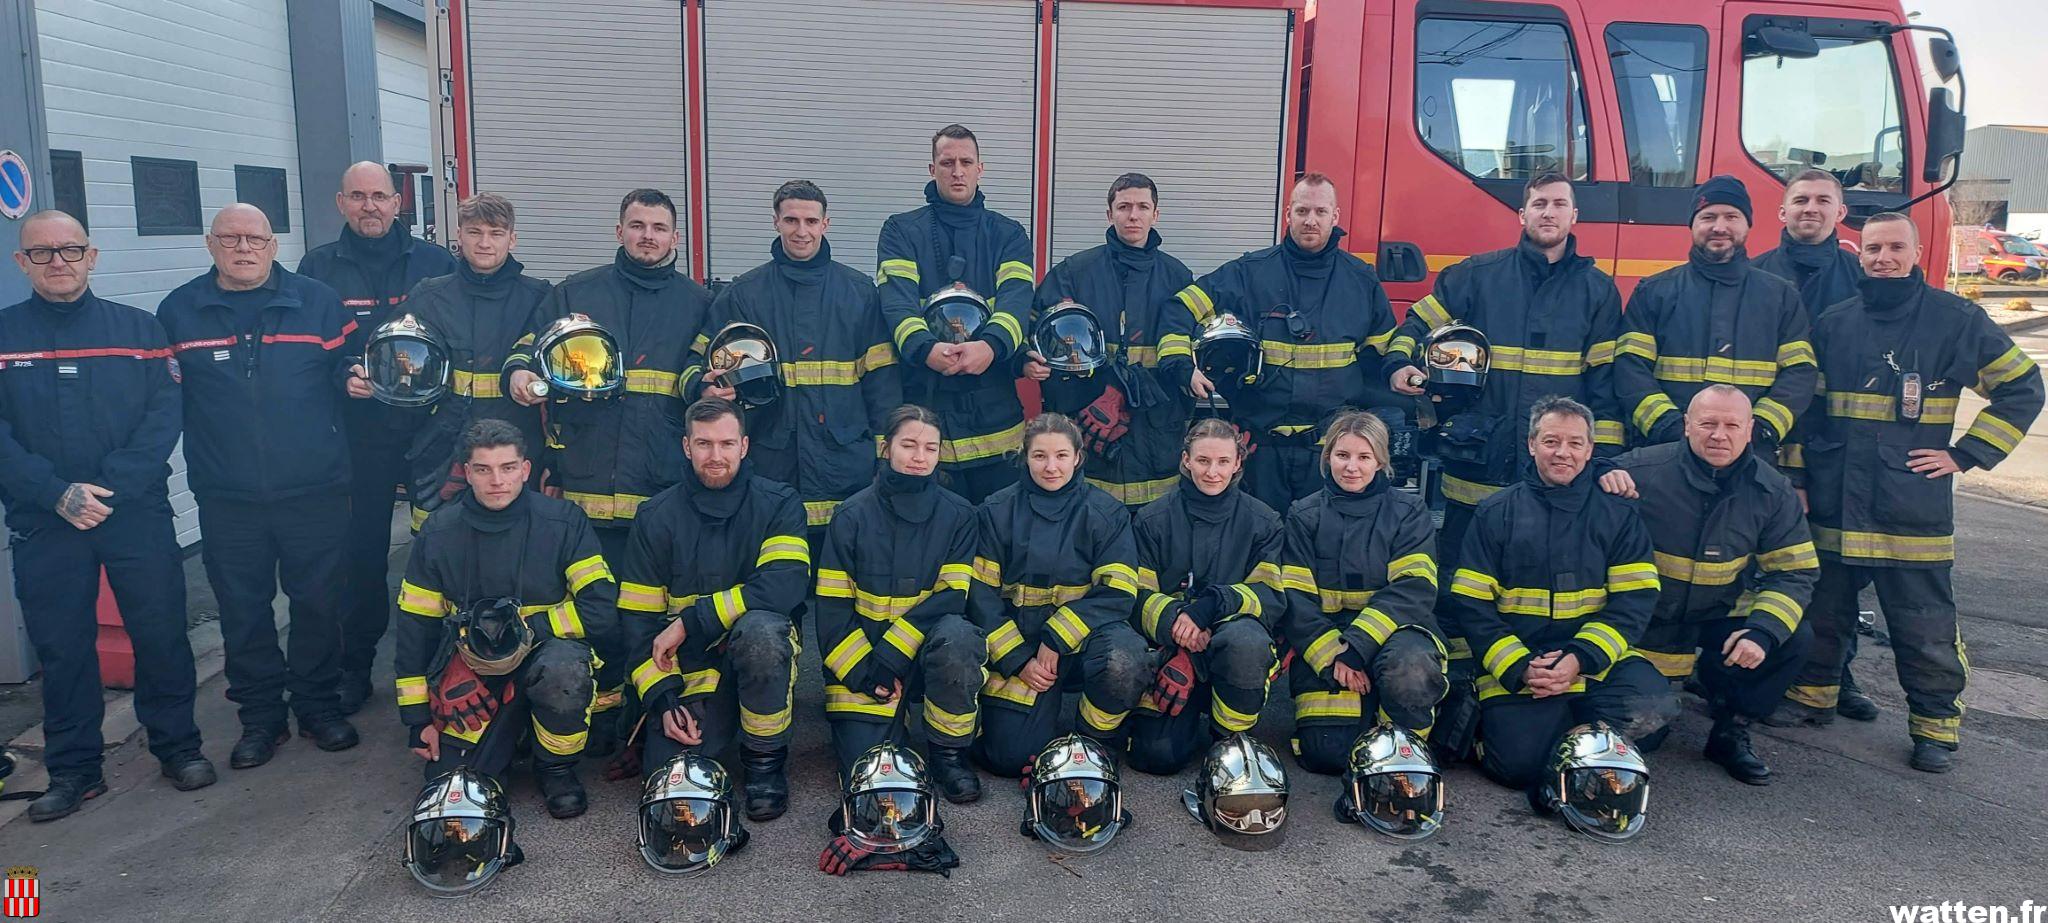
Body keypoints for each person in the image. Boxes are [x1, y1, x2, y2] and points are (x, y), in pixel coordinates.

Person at [1778, 213, 2044, 773]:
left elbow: (2022, 387)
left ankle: (1934, 728)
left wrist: (1964, 454)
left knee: (1923, 623)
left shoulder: (1957, 320)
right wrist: (1799, 478)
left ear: (1917, 252)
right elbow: (1808, 412)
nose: (1883, 258)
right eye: (1873, 248)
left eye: (1896, 247)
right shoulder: (1834, 322)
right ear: (1859, 253)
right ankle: (1813, 699)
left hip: (1909, 505)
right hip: (1833, 499)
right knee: (1824, 611)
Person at [1378, 172, 1625, 701]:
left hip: (1552, 466)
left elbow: (1604, 388)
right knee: (1462, 573)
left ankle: (1530, 671)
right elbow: (1416, 324)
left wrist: (1604, 461)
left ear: (1574, 217)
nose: (1548, 212)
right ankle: (1458, 681)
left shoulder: (1598, 291)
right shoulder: (1478, 275)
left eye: (1560, 204)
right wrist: (1401, 364)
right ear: (1522, 214)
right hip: (1479, 458)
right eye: (1539, 203)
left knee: (1539, 571)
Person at [0, 211, 211, 821]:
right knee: (63, 648)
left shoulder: (140, 332)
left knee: (161, 634)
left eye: (70, 250)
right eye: (42, 253)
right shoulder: (5, 335)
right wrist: (54, 493)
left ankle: (178, 747)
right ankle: (73, 770)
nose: (58, 261)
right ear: (22, 263)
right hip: (45, 521)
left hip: (133, 515)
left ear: (92, 256)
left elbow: (161, 418)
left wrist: (107, 489)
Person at [504, 188, 716, 753]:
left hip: (661, 495)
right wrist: (521, 379)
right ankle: (596, 732)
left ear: (676, 237)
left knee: (649, 617)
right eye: (638, 225)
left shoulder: (698, 303)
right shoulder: (575, 293)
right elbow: (525, 354)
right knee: (593, 617)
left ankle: (641, 724)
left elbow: (703, 379)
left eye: (659, 227)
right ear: (619, 231)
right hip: (584, 492)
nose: (648, 236)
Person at [157, 204, 364, 769]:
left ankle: (318, 706)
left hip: (314, 488)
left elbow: (344, 365)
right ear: (210, 244)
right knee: (243, 611)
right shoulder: (180, 311)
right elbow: (163, 400)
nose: (242, 248)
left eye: (254, 238)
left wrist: (355, 377)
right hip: (227, 496)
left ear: (273, 245)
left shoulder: (317, 301)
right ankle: (261, 719)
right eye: (230, 238)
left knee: (318, 604)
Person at [1594, 386, 1819, 784]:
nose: (1719, 435)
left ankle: (1731, 728)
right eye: (1708, 424)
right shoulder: (1643, 470)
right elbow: (1581, 476)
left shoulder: (1773, 491)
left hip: (1719, 616)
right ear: (1686, 426)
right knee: (1646, 735)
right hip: (1647, 622)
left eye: (1732, 425)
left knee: (1793, 637)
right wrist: (1599, 470)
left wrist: (1763, 632)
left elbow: (1795, 571)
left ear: (1750, 430)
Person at [392, 420, 615, 818]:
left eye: (508, 468)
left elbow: (599, 609)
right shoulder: (439, 533)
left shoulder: (564, 522)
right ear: (466, 471)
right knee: (453, 786)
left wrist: (523, 635)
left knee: (565, 670)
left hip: (546, 655)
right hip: (472, 667)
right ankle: (499, 750)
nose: (497, 481)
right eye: (484, 469)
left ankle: (556, 769)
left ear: (525, 470)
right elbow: (414, 628)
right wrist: (417, 720)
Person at [299, 162, 460, 714]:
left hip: (431, 434)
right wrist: (343, 373)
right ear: (341, 203)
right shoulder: (317, 269)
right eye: (359, 197)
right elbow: (310, 351)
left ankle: (447, 663)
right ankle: (354, 668)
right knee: (359, 554)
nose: (371, 206)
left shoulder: (436, 265)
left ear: (398, 203)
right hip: (358, 437)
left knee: (443, 549)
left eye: (380, 197)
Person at [1446, 397, 1671, 790]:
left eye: (1574, 443)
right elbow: (1472, 605)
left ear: (1590, 450)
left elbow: (1634, 602)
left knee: (1654, 712)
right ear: (1531, 444)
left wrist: (1580, 657)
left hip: (1593, 661)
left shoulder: (1617, 514)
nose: (1562, 453)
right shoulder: (1495, 513)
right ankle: (1528, 726)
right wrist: (1518, 666)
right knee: (1517, 769)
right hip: (1522, 662)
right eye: (1551, 442)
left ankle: (1565, 721)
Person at [619, 398, 809, 819]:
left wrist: (691, 620)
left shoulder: (779, 504)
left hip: (755, 655)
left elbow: (784, 584)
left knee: (762, 632)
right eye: (704, 444)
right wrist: (662, 701)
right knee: (671, 778)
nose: (716, 456)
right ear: (686, 447)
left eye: (726, 444)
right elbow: (636, 622)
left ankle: (765, 765)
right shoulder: (656, 516)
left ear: (744, 446)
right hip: (684, 670)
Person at [1172, 172, 1401, 513]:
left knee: (1321, 548)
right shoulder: (1251, 272)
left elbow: (1383, 352)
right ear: (1288, 214)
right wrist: (1180, 364)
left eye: (1321, 212)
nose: (1311, 221)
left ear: (1336, 217)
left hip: (1330, 453)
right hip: (1261, 449)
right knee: (1259, 545)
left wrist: (1401, 370)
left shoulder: (1360, 279)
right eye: (1302, 211)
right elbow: (1181, 308)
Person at [1750, 168, 1878, 722]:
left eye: (1823, 200)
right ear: (1781, 213)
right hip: (1771, 442)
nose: (1810, 208)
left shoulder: (1862, 279)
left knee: (1838, 569)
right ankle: (1764, 671)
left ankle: (1834, 670)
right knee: (1762, 565)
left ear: (1840, 213)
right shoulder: (1754, 277)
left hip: (1841, 448)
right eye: (1799, 200)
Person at [698, 180, 899, 530]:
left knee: (838, 574)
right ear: (776, 222)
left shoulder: (860, 293)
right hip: (771, 464)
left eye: (810, 221)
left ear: (826, 223)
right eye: (791, 220)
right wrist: (704, 389)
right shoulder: (744, 294)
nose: (801, 231)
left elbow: (883, 387)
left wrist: (886, 458)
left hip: (845, 468)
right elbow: (698, 361)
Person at [814, 405, 987, 802]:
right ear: (885, 447)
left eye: (930, 447)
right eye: (908, 445)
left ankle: (948, 754)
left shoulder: (960, 514)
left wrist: (893, 654)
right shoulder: (851, 515)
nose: (919, 456)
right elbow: (832, 612)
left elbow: (953, 594)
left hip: (928, 656)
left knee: (960, 636)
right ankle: (882, 721)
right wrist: (864, 673)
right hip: (865, 660)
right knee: (868, 771)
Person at [968, 413, 1147, 775]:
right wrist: (1018, 660)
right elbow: (980, 598)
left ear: (1078, 457)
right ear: (1025, 457)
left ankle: (1093, 741)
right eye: (1040, 456)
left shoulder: (1106, 512)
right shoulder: (996, 511)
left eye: (1062, 456)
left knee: (1123, 660)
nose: (1051, 467)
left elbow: (1118, 592)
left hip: (1083, 643)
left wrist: (1056, 636)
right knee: (1009, 759)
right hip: (1020, 646)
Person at [1278, 411, 1448, 774]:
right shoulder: (1303, 515)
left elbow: (1413, 590)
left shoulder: (1408, 512)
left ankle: (1408, 754)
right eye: (1342, 456)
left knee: (1411, 671)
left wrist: (1356, 649)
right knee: (1326, 755)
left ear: (1381, 461)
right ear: (1327, 459)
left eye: (1364, 457)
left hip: (1396, 632)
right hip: (1327, 640)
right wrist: (1334, 656)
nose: (1351, 467)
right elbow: (1295, 600)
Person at [875, 124, 1035, 503]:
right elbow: (896, 301)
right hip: (927, 401)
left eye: (966, 162)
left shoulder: (1009, 234)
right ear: (932, 169)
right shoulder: (900, 230)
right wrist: (925, 348)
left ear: (982, 168)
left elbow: (1016, 299)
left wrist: (991, 347)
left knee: (998, 530)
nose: (957, 171)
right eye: (947, 162)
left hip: (995, 411)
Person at [1614, 175, 1815, 463]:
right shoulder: (1654, 292)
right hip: (1667, 455)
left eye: (1732, 216)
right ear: (1693, 225)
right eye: (1708, 217)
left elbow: (1800, 374)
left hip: (1751, 458)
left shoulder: (1781, 296)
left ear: (1747, 224)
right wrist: (1669, 426)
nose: (1719, 227)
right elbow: (1629, 370)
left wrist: (1759, 428)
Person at [1125, 418, 1283, 774]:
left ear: (1238, 463)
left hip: (1230, 652)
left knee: (1247, 641)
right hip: (1169, 652)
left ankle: (1229, 740)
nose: (1213, 472)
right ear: (1185, 460)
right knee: (1156, 757)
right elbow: (1135, 597)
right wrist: (1177, 632)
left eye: (1223, 462)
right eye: (1203, 461)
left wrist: (1213, 606)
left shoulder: (1263, 522)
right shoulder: (1151, 520)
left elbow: (1270, 596)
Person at [1031, 173, 1198, 509]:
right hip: (1093, 424)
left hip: (1157, 426)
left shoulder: (1178, 277)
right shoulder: (1074, 272)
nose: (1132, 215)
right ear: (1110, 214)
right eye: (1123, 207)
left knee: (1156, 522)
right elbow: (1036, 332)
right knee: (1091, 517)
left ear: (1156, 214)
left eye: (1141, 207)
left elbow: (1191, 351)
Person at [401, 192, 552, 519]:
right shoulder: (428, 296)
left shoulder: (539, 297)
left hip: (516, 448)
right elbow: (397, 361)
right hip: (442, 449)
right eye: (475, 232)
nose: (485, 242)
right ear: (460, 236)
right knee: (438, 546)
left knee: (515, 545)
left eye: (496, 233)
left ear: (512, 239)